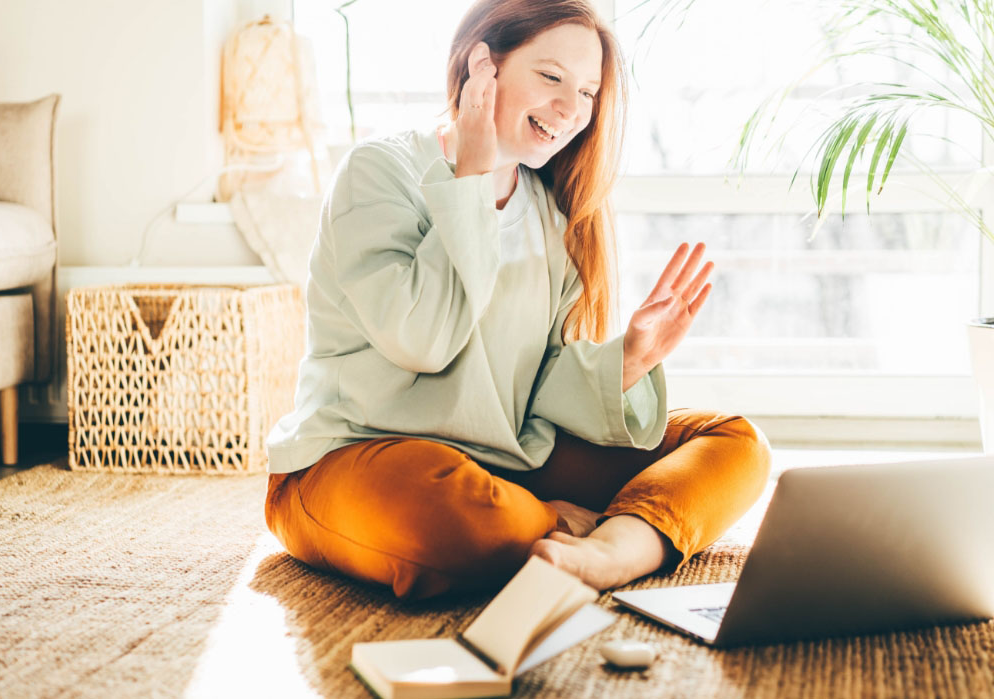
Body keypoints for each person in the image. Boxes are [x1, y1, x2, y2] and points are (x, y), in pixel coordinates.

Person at [264, 0, 771, 600]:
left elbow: (536, 394)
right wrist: (471, 180)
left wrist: (627, 360)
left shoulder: (548, 213)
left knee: (734, 444)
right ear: (483, 65)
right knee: (462, 518)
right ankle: (554, 524)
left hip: (503, 464)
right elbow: (422, 343)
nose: (571, 109)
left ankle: (614, 552)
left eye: (588, 92)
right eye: (552, 78)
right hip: (357, 458)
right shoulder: (380, 172)